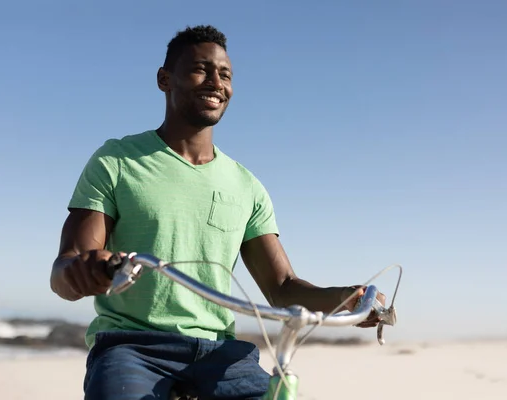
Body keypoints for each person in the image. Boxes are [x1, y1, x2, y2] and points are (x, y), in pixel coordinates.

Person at [50, 25, 386, 400]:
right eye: (200, 69)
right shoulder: (116, 160)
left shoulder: (247, 185)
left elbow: (282, 288)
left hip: (220, 355)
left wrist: (348, 297)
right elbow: (66, 269)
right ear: (165, 79)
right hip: (132, 348)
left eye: (225, 74)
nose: (216, 82)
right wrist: (87, 271)